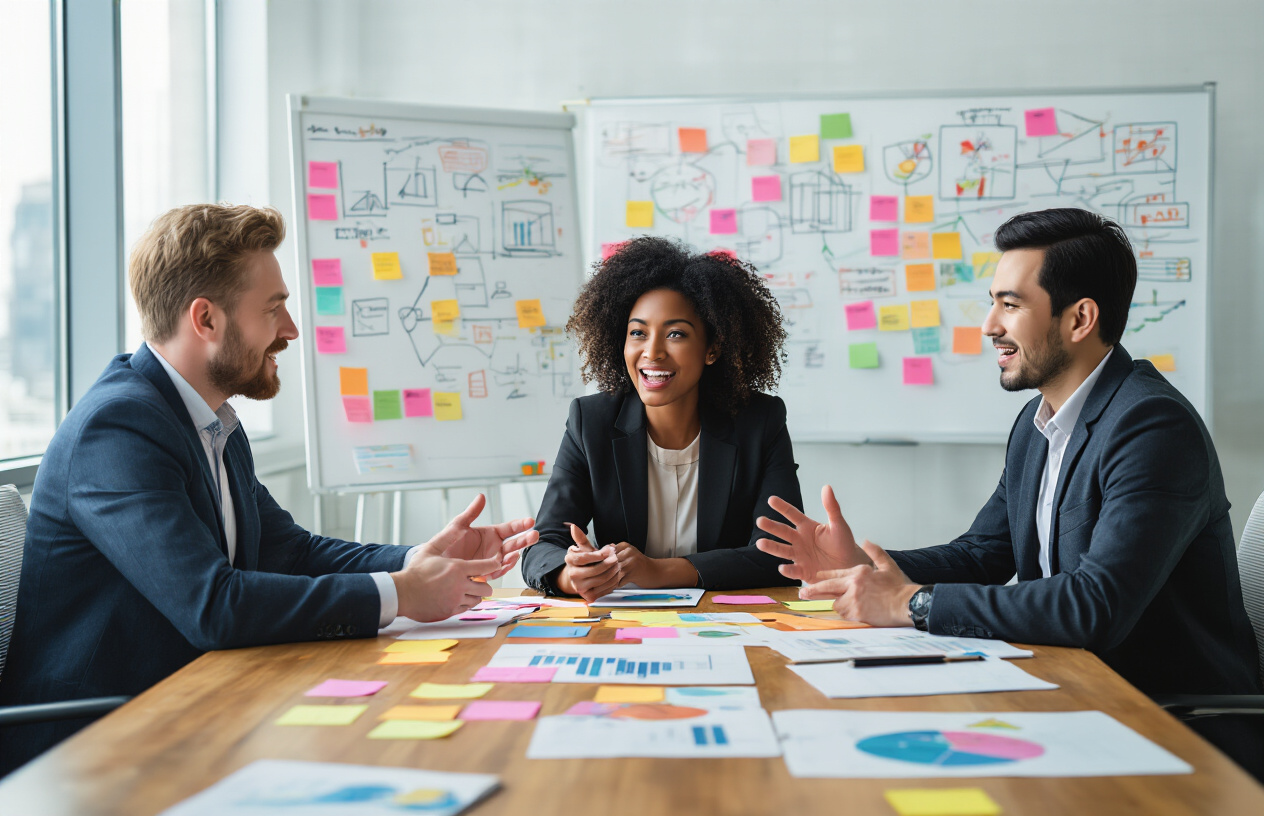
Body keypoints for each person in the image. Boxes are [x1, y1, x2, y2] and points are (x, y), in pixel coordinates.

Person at [0, 204, 537, 774]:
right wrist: (402, 594)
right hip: (88, 749)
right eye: (274, 309)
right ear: (205, 319)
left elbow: (291, 550)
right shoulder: (117, 431)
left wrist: (418, 558)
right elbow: (212, 605)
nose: (291, 330)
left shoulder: (212, 423)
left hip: (191, 707)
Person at [757, 208, 1260, 698]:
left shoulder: (1151, 425)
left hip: (1173, 717)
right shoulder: (1036, 423)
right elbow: (982, 555)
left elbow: (1097, 605)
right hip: (1068, 683)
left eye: (1010, 305)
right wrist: (864, 566)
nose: (989, 325)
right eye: (992, 302)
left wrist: (912, 603)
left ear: (1080, 318)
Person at [521, 236, 803, 602]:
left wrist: (658, 571)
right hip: (622, 628)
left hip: (726, 622)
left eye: (676, 334)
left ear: (712, 349)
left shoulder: (759, 423)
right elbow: (541, 547)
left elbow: (782, 554)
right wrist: (569, 575)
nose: (651, 352)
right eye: (637, 332)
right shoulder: (590, 422)